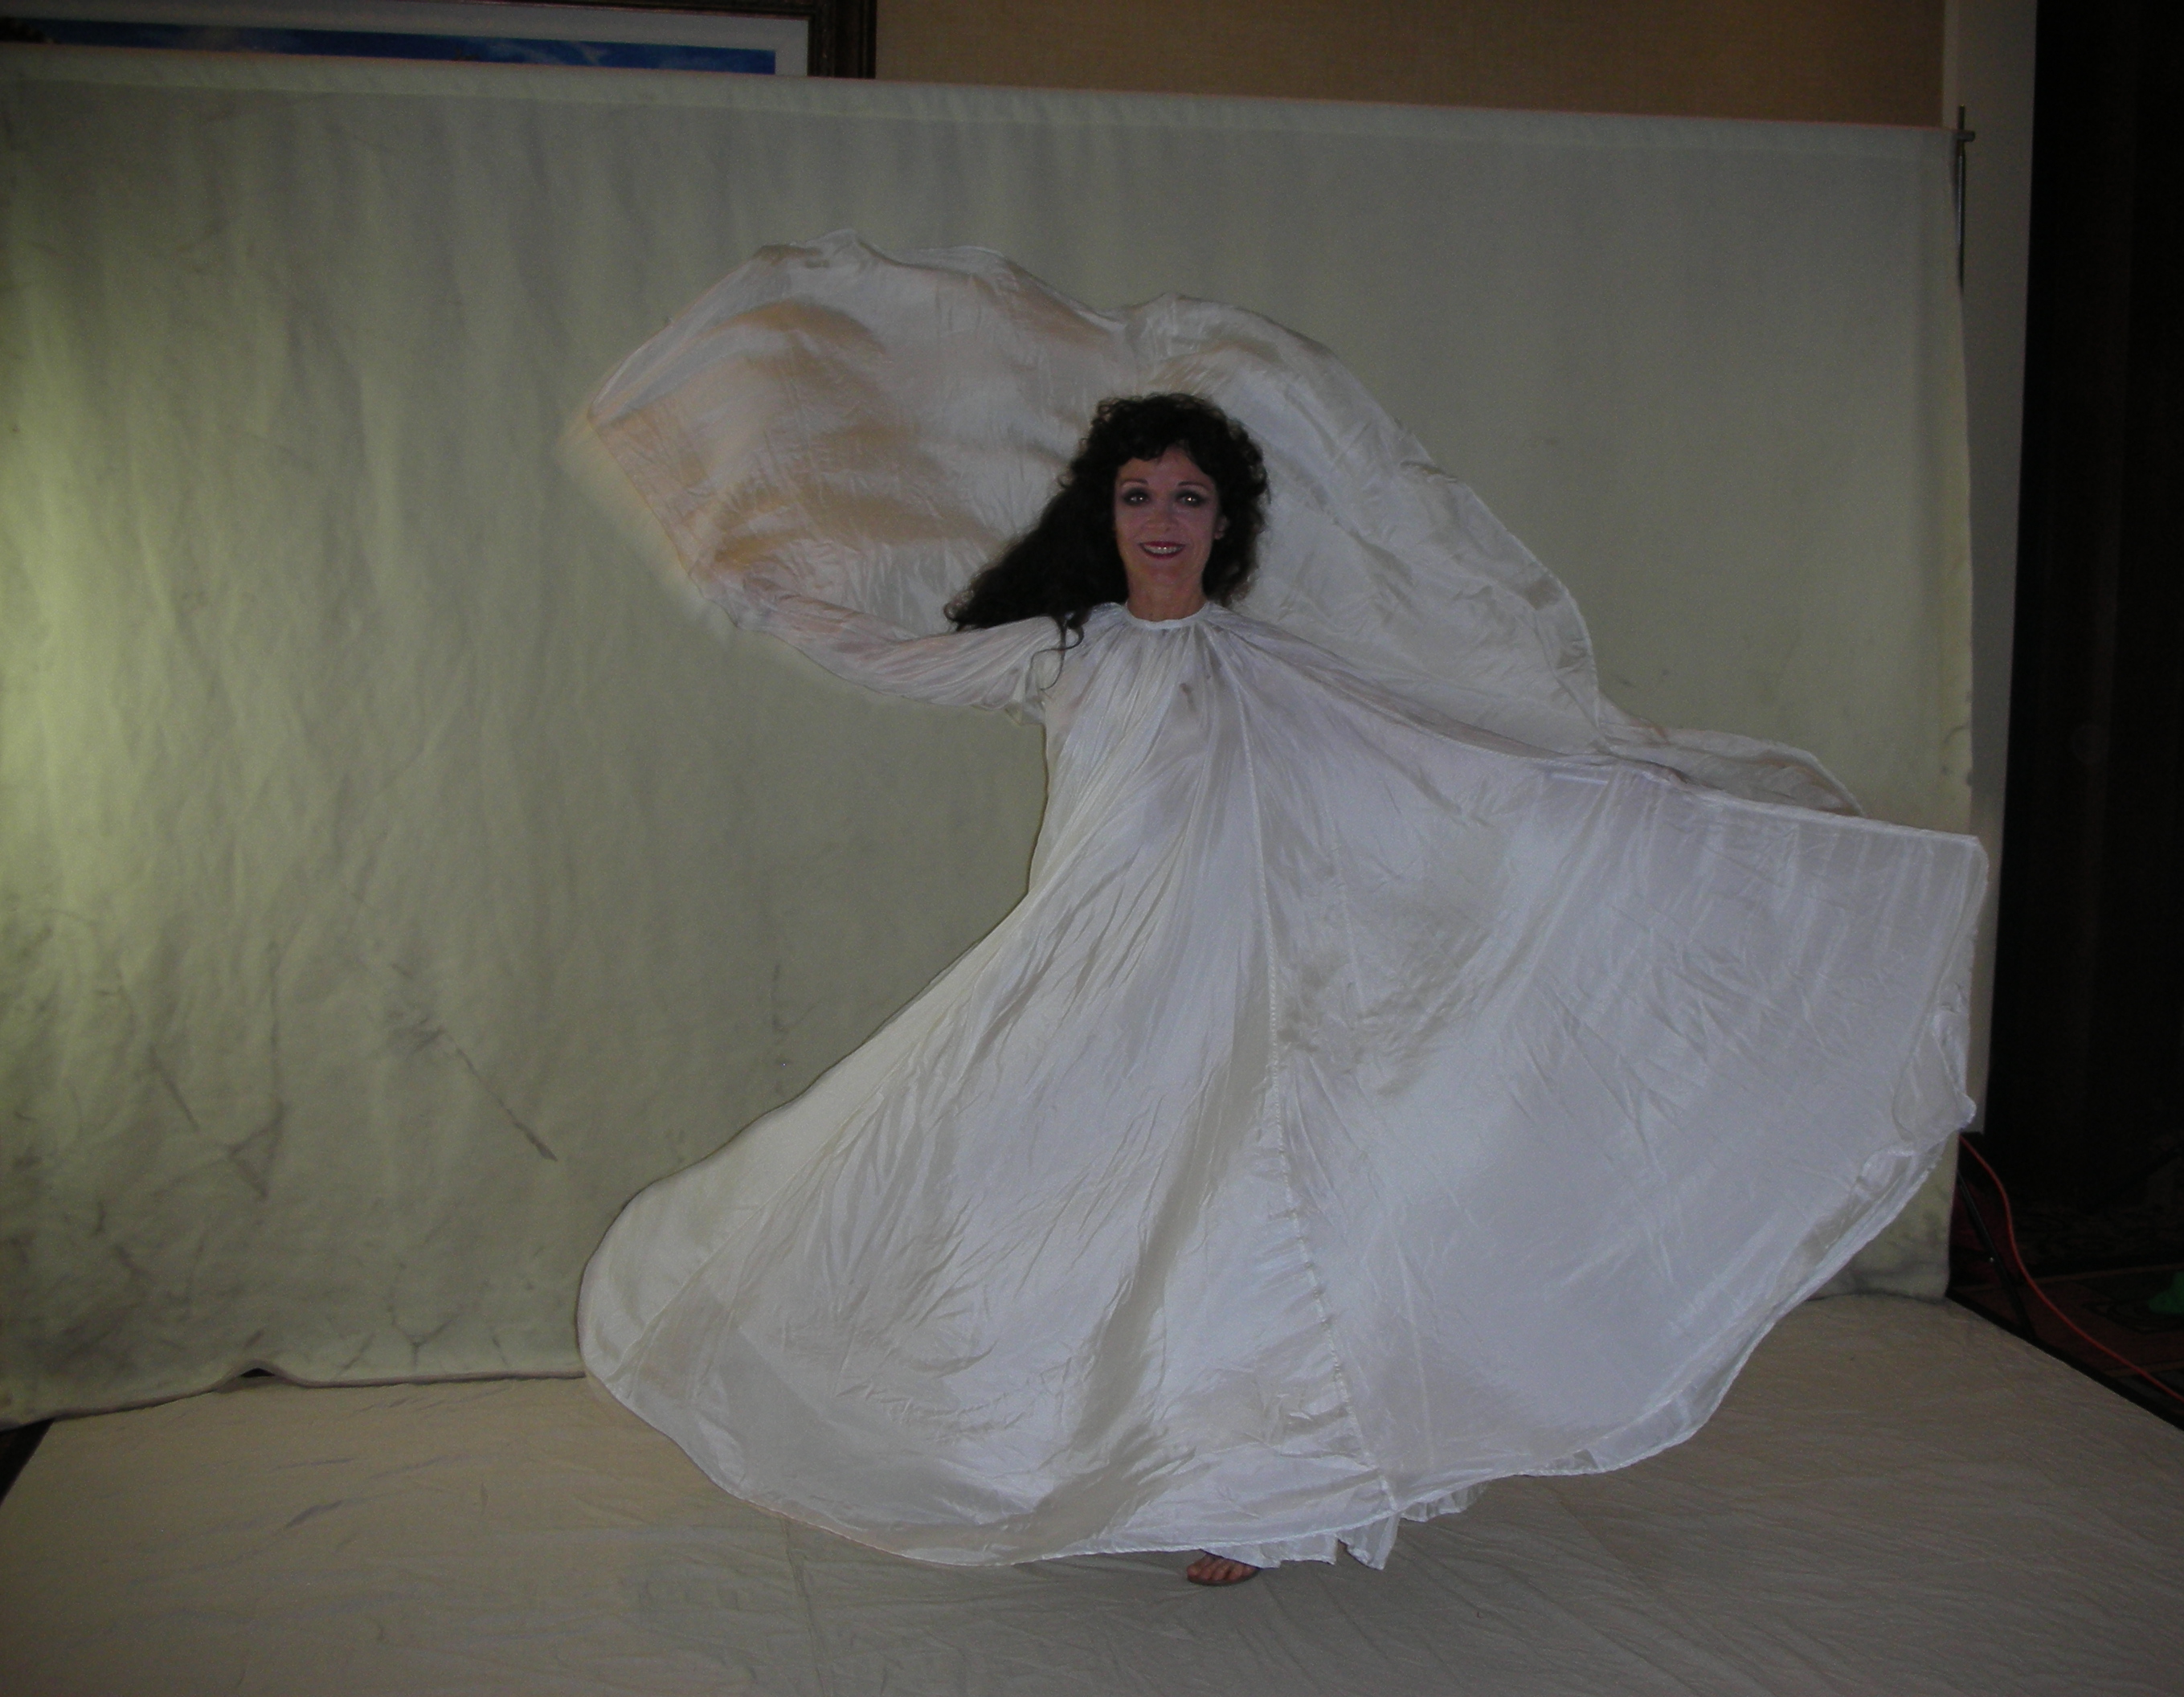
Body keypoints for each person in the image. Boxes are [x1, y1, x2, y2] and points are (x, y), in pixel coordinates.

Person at [578, 383, 1987, 1587]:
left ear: (1225, 521)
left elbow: (1444, 763)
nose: (1163, 520)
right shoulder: (1067, 649)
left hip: (1240, 994)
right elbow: (903, 660)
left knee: (1240, 1230)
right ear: (1105, 513)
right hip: (1088, 987)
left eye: (1189, 497)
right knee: (1029, 1204)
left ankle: (1255, 1496)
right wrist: (766, 596)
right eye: (1139, 494)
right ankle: (1060, 1452)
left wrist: (1625, 805)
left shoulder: (1272, 664)